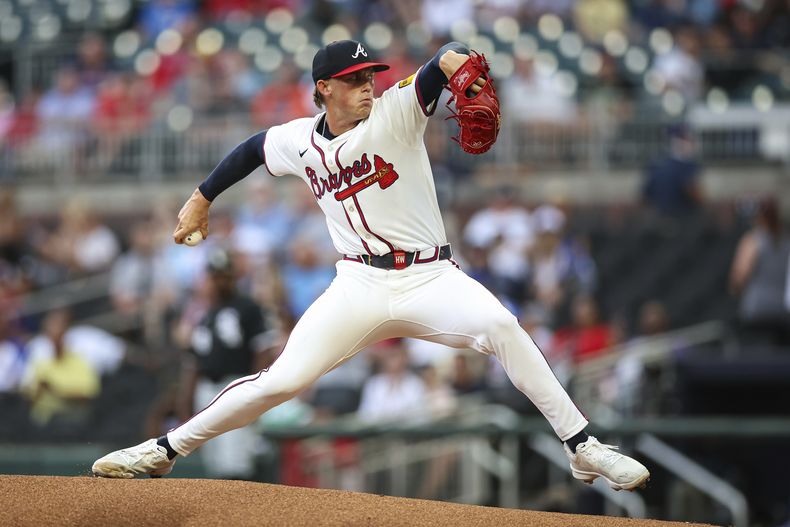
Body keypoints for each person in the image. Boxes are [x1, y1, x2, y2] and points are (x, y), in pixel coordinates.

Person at [92, 39, 649, 491]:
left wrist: (455, 59)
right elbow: (252, 150)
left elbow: (439, 65)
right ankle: (166, 449)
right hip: (358, 282)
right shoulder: (299, 141)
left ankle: (584, 448)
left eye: (370, 76)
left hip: (430, 276)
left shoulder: (397, 113)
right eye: (356, 79)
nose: (368, 86)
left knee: (503, 326)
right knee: (281, 380)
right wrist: (201, 197)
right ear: (324, 89)